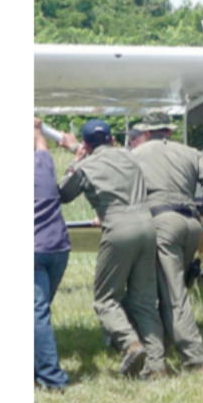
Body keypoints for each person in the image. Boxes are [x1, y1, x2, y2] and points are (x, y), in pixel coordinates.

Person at [57, 119, 167, 380]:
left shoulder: (86, 166)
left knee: (105, 299)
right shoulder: (131, 156)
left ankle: (131, 344)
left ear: (86, 145)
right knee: (144, 301)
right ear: (113, 140)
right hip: (147, 225)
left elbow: (62, 193)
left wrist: (75, 159)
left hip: (118, 228)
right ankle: (157, 366)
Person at [131, 109, 203, 377]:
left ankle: (194, 360)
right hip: (192, 224)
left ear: (146, 132)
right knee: (174, 287)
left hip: (161, 222)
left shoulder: (136, 154)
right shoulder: (191, 152)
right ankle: (164, 348)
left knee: (173, 294)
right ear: (169, 130)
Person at [32, 118, 71, 392]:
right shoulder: (44, 165)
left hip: (34, 251)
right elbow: (42, 144)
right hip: (57, 248)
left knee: (37, 314)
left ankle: (52, 378)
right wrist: (37, 128)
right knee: (39, 310)